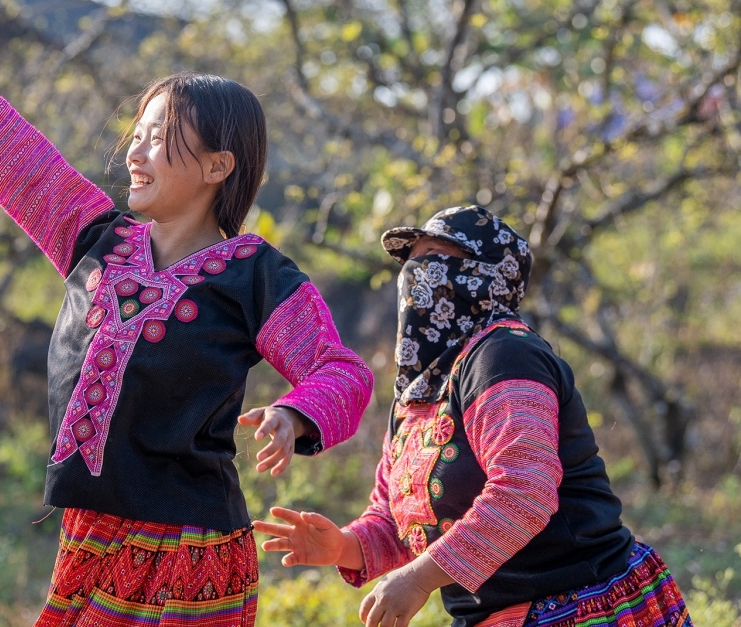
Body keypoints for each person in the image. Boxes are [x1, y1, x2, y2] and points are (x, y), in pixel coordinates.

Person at [0, 0, 374, 626]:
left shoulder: (257, 274)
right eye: (137, 135)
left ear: (217, 165)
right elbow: (6, 147)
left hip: (191, 552)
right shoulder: (92, 237)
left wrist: (296, 414)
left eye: (160, 138)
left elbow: (339, 371)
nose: (136, 153)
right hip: (91, 535)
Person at [254, 206, 692, 627]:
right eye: (412, 261)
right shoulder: (418, 391)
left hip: (584, 602)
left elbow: (524, 494)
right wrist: (344, 546)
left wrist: (418, 579)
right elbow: (397, 519)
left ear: (485, 277)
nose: (414, 274)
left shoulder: (505, 355)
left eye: (434, 259)